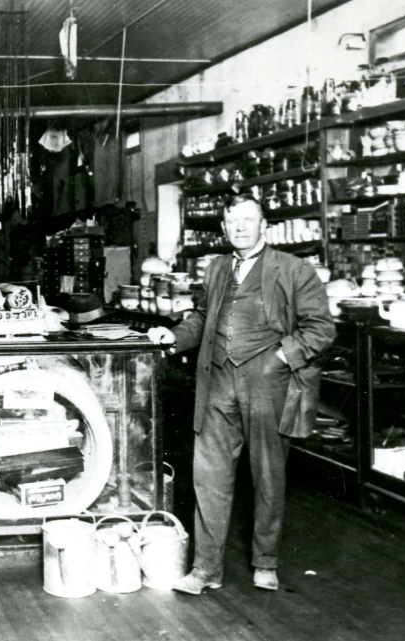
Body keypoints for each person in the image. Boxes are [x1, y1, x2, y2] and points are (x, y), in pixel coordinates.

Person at [148, 194, 334, 594]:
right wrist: (175, 336)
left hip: (267, 384)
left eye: (249, 220)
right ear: (224, 228)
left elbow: (320, 328)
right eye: (233, 221)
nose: (241, 228)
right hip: (216, 383)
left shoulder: (294, 269)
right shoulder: (216, 268)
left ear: (263, 224)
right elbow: (201, 317)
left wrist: (282, 358)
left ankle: (265, 562)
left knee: (268, 476)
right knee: (208, 476)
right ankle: (205, 569)